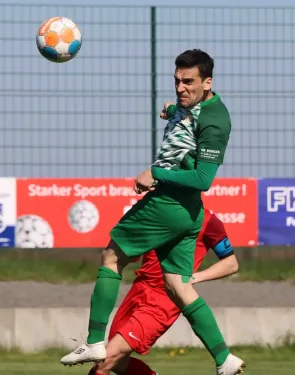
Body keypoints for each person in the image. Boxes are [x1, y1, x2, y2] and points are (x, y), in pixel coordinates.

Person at [61, 49, 246, 375]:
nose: (180, 87)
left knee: (112, 256)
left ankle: (92, 340)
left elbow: (203, 179)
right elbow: (189, 122)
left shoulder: (215, 121)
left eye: (188, 82)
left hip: (169, 204)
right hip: (189, 214)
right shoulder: (196, 106)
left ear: (208, 82)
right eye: (176, 81)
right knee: (177, 284)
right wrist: (174, 109)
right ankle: (224, 359)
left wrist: (156, 173)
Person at [87, 209, 240, 375]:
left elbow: (231, 263)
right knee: (116, 362)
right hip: (138, 289)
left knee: (107, 361)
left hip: (163, 298)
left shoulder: (209, 222)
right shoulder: (158, 210)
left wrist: (195, 278)